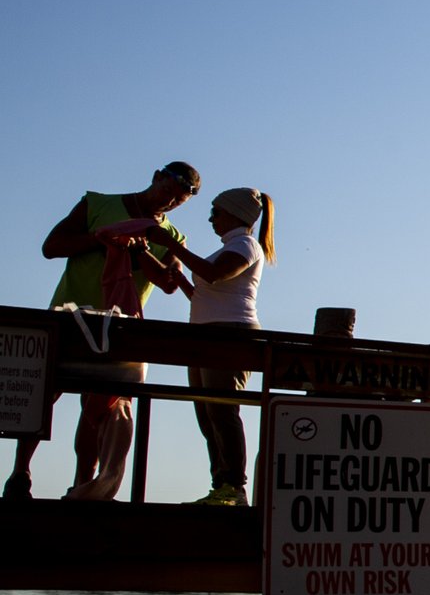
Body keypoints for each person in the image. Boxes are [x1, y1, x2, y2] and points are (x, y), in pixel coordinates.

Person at [6, 163, 196, 503]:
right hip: (69, 314)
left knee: (98, 407)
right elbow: (52, 246)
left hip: (118, 326)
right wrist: (102, 239)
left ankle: (83, 484)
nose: (168, 202)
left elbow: (169, 282)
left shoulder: (170, 236)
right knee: (42, 395)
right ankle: (21, 472)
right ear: (155, 177)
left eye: (177, 201)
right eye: (167, 192)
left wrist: (140, 250)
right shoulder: (97, 205)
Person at [166, 187, 274, 507]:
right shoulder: (232, 246)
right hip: (209, 335)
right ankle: (221, 485)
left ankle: (233, 487)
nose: (211, 218)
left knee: (222, 410)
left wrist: (172, 246)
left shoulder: (244, 245)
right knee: (208, 413)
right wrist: (179, 273)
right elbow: (207, 292)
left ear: (235, 214)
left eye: (216, 212)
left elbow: (213, 275)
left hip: (230, 334)